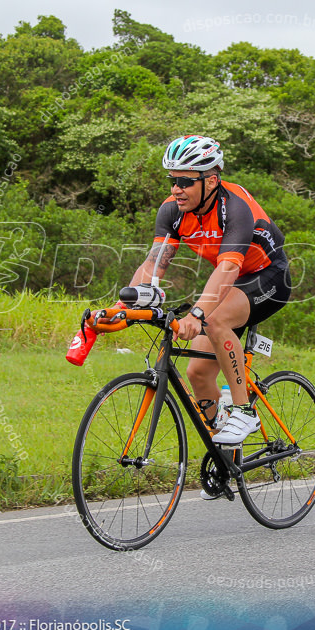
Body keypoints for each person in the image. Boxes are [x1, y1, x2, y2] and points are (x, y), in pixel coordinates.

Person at [126, 135, 291, 452]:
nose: (176, 189)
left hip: (268, 276)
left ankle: (244, 413)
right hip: (231, 280)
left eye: (186, 181)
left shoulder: (236, 207)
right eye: (173, 180)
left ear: (212, 179)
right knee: (198, 372)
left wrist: (197, 314)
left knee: (213, 320)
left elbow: (228, 270)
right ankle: (224, 454)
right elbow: (154, 264)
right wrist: (125, 305)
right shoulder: (172, 211)